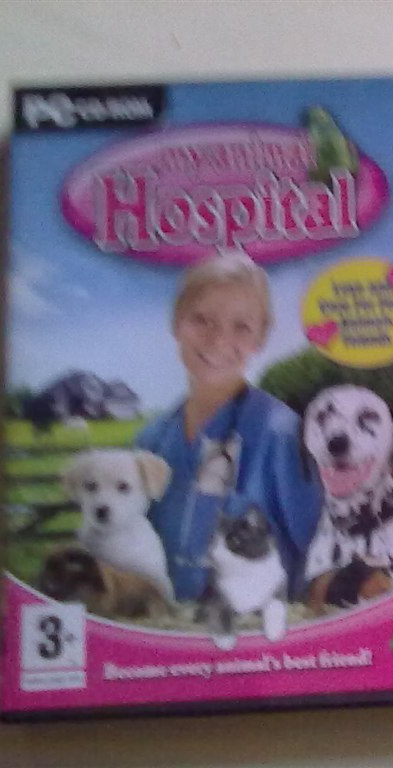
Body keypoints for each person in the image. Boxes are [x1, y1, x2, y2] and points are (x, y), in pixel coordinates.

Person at [136, 249, 320, 602]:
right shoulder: (152, 440)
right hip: (161, 627)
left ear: (261, 338)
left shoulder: (282, 435)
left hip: (256, 628)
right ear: (176, 322)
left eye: (241, 327)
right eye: (201, 319)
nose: (218, 340)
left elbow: (315, 554)